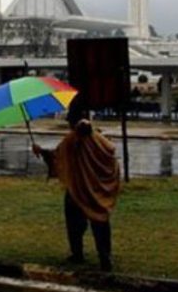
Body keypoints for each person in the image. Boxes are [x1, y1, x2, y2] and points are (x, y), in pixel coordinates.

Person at [32, 105, 121, 272]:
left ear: (72, 122)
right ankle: (105, 257)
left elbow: (57, 158)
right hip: (97, 190)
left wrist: (41, 151)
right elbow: (110, 157)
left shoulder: (71, 139)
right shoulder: (99, 139)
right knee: (100, 222)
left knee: (74, 223)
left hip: (78, 189)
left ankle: (78, 254)